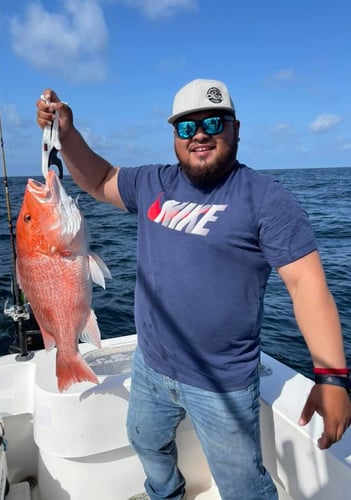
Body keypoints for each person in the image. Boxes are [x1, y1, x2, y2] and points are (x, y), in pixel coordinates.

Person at [36, 79, 351, 500]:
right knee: (145, 440)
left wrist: (332, 378)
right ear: (175, 137)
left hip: (222, 381)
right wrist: (68, 134)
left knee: (242, 487)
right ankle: (166, 493)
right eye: (186, 127)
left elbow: (307, 284)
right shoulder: (152, 182)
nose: (199, 134)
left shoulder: (267, 200)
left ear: (235, 129)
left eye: (213, 122)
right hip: (150, 364)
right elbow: (100, 180)